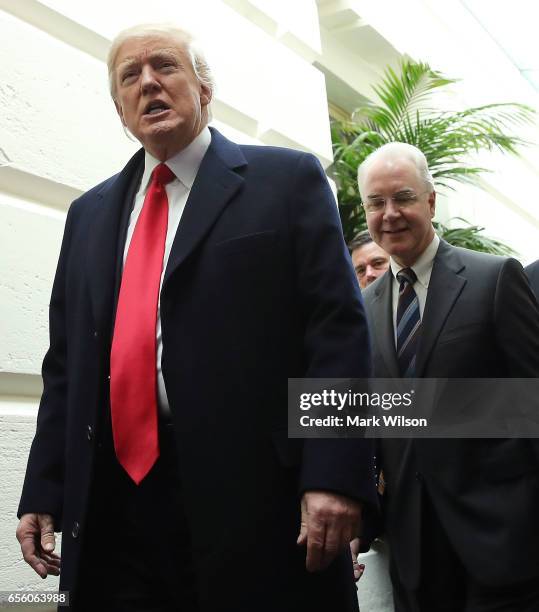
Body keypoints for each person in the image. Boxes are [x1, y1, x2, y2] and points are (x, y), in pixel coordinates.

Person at [16, 23, 377, 612]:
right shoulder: (88, 214)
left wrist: (334, 474)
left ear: (204, 89)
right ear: (119, 110)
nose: (149, 83)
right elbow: (66, 368)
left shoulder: (286, 182)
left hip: (254, 499)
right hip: (114, 507)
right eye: (130, 76)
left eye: (165, 66)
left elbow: (336, 335)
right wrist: (45, 486)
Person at [359, 142, 539, 612]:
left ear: (431, 201)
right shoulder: (362, 308)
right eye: (376, 203)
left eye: (403, 198)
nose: (390, 214)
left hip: (502, 542)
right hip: (415, 552)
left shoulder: (495, 278)